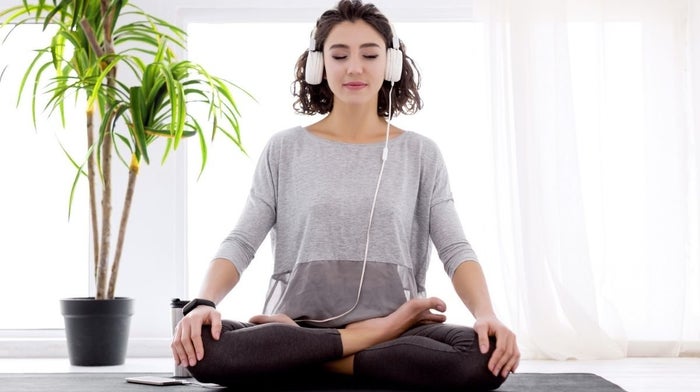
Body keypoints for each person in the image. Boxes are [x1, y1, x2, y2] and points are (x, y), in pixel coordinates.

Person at [172, 0, 520, 389]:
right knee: (200, 345)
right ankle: (356, 343)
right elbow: (242, 240)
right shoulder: (285, 149)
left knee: (485, 356)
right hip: (298, 328)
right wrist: (203, 303)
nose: (354, 68)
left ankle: (307, 360)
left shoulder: (420, 153)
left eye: (369, 55)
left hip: (396, 333)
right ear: (319, 65)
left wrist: (486, 314)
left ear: (391, 64)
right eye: (339, 55)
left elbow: (455, 247)